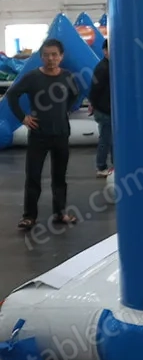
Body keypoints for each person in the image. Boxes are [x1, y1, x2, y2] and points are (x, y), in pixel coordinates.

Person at [6, 38, 80, 230]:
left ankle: (60, 213)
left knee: (59, 177)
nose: (50, 58)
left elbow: (75, 94)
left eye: (54, 55)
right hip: (38, 135)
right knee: (33, 176)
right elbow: (12, 95)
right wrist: (23, 118)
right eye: (46, 55)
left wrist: (65, 109)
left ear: (61, 56)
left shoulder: (67, 77)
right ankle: (29, 216)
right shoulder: (32, 77)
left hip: (61, 133)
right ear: (41, 57)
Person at [89, 38, 113, 176]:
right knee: (106, 139)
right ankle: (101, 166)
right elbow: (95, 89)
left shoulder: (109, 66)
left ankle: (113, 165)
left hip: (106, 108)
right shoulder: (103, 68)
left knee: (110, 139)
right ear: (105, 51)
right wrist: (93, 104)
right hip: (104, 110)